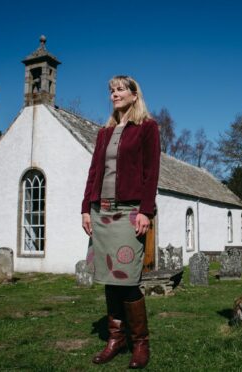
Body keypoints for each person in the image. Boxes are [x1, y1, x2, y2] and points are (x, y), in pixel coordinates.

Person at [81, 75, 160, 369]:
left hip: (129, 211)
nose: (114, 94)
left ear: (134, 94)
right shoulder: (104, 132)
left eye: (120, 89)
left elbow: (152, 171)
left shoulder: (147, 128)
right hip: (101, 212)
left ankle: (140, 342)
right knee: (109, 280)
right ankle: (116, 339)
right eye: (111, 90)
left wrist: (145, 210)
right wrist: (85, 208)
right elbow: (93, 173)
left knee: (127, 281)